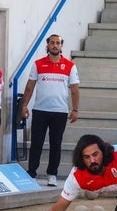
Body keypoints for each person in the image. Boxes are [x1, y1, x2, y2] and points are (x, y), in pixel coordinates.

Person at [21, 34, 80, 187]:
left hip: (60, 112)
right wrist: (24, 105)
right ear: (47, 45)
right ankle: (32, 172)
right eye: (52, 43)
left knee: (56, 144)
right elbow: (30, 86)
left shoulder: (69, 65)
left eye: (58, 43)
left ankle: (52, 174)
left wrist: (75, 109)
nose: (55, 45)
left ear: (61, 46)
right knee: (36, 143)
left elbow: (74, 89)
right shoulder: (38, 64)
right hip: (40, 110)